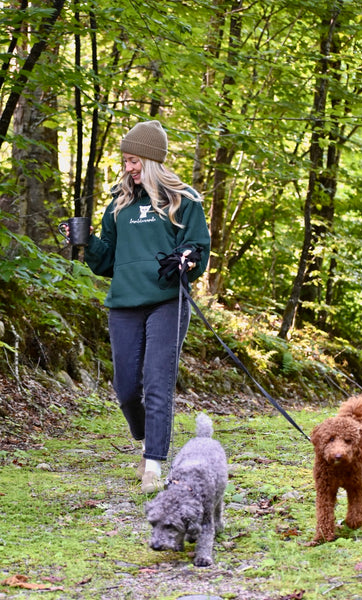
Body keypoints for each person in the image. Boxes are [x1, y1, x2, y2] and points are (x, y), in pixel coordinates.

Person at [84, 120, 210, 493]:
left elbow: (198, 249)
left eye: (134, 160)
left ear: (153, 160)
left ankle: (154, 464)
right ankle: (144, 444)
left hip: (167, 302)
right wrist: (86, 242)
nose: (129, 167)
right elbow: (106, 262)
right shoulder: (118, 205)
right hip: (124, 303)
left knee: (157, 383)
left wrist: (185, 258)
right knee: (125, 388)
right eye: (125, 160)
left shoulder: (184, 200)